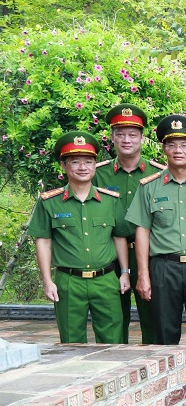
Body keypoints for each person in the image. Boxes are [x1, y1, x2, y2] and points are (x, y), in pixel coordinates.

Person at [126, 115, 186, 406]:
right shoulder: (150, 187)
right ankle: (169, 386)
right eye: (172, 144)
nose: (178, 150)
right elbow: (141, 231)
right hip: (164, 267)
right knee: (165, 331)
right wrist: (143, 274)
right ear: (164, 149)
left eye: (184, 144)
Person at [28, 131, 131, 343]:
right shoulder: (49, 202)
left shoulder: (110, 201)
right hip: (68, 282)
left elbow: (119, 237)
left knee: (113, 342)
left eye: (88, 161)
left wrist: (124, 273)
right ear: (64, 166)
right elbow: (43, 242)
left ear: (95, 165)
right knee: (70, 343)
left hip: (105, 280)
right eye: (75, 162)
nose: (82, 167)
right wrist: (47, 281)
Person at [94, 104, 164, 344]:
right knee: (113, 320)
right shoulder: (97, 174)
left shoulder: (159, 174)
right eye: (120, 134)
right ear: (112, 138)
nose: (126, 140)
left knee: (153, 319)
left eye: (133, 134)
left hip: (150, 255)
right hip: (110, 255)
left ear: (142, 138)